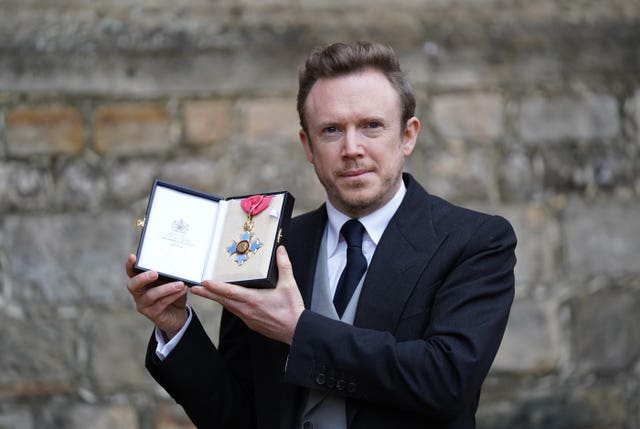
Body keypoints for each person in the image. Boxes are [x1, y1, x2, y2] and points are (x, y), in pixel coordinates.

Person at [125, 41, 517, 429]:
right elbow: (238, 417)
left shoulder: (475, 241)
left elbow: (447, 381)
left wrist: (298, 330)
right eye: (331, 130)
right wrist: (176, 328)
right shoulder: (268, 246)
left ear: (408, 136)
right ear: (307, 145)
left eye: (372, 126)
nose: (352, 149)